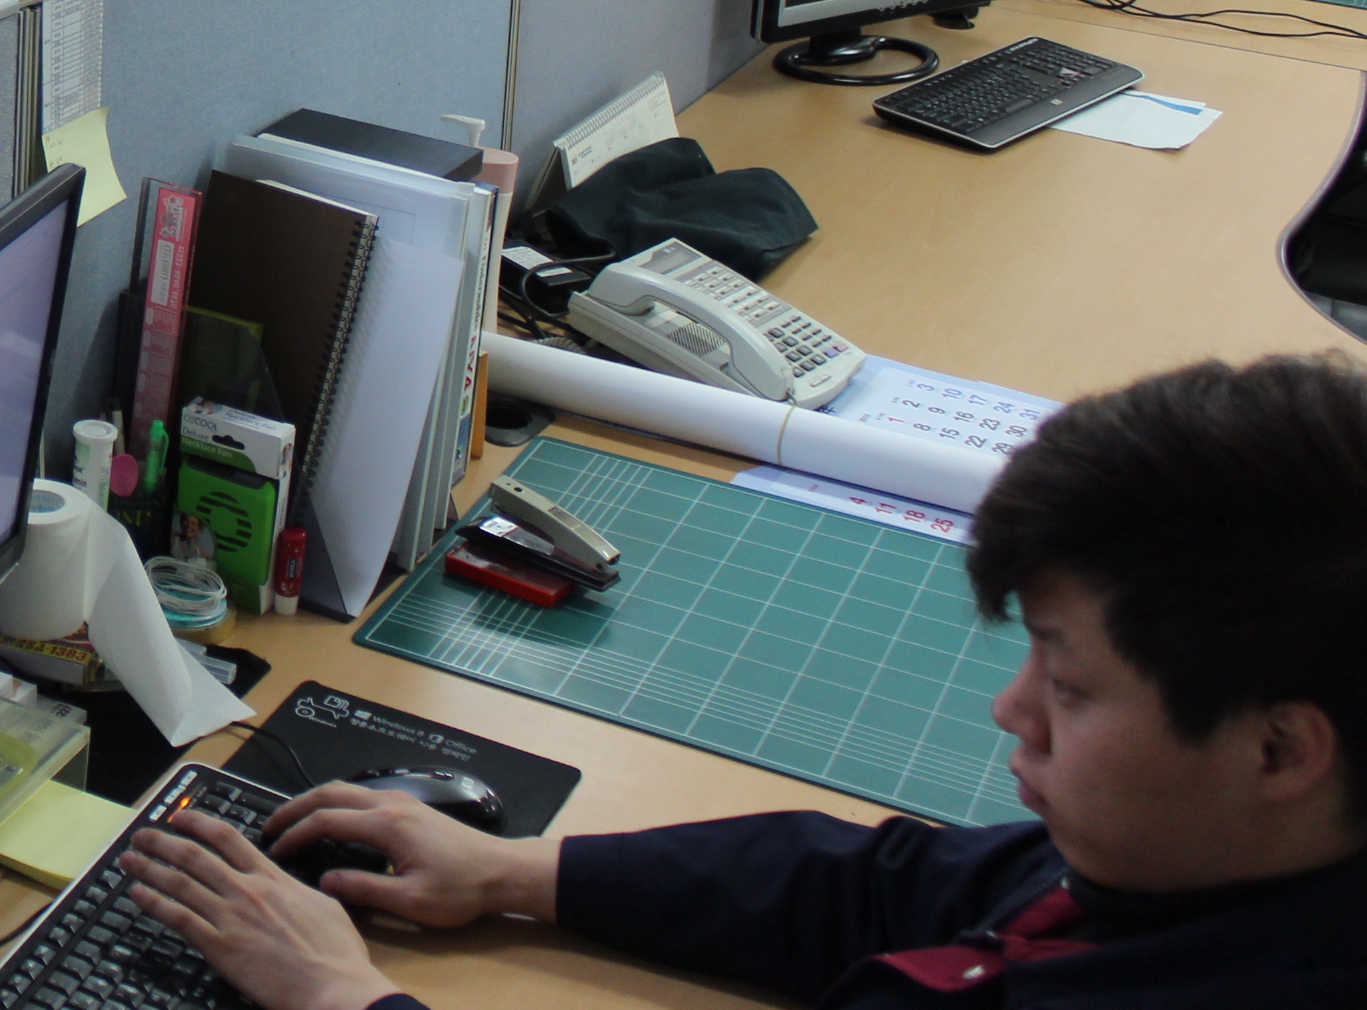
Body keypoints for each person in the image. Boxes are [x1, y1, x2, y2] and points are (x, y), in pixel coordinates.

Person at [117, 353, 1367, 1010]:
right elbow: (880, 887)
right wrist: (519, 874)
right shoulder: (1216, 865)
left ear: (1278, 749)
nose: (1011, 710)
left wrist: (341, 996)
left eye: (1074, 688)